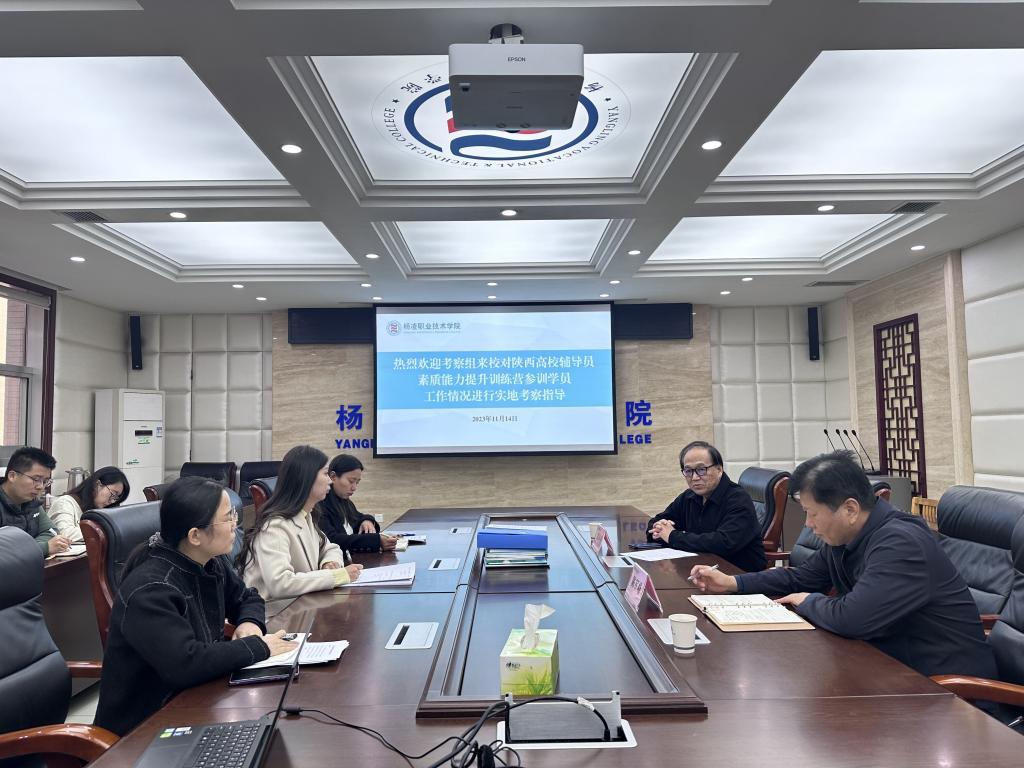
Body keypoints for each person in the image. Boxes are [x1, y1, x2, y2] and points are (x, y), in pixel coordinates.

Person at [689, 450, 998, 679]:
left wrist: (809, 602)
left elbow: (852, 618)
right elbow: (802, 578)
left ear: (850, 509)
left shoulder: (900, 543)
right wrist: (734, 583)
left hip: (948, 691)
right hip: (888, 669)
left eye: (812, 513)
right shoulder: (849, 536)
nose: (808, 524)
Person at [93, 476, 295, 736]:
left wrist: (249, 624)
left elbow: (247, 598)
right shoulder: (152, 589)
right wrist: (259, 647)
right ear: (195, 535)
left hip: (198, 699)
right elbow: (185, 663)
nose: (235, 525)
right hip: (145, 727)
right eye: (228, 517)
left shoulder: (210, 561)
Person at [237, 445, 362, 600]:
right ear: (306, 478)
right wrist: (336, 576)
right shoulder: (275, 526)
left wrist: (329, 562)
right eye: (325, 474)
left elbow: (330, 548)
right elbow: (281, 584)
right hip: (274, 611)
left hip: (301, 606)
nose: (330, 481)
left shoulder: (306, 516)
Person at [646, 440, 766, 572]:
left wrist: (672, 536)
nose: (695, 477)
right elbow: (657, 520)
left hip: (738, 574)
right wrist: (659, 528)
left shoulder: (738, 499)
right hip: (700, 568)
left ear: (719, 469)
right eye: (688, 471)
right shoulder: (689, 496)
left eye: (701, 470)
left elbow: (724, 543)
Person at [316, 454, 397, 555]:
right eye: (351, 481)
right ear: (333, 477)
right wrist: (376, 540)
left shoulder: (344, 501)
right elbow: (331, 540)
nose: (354, 488)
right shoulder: (319, 504)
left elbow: (359, 517)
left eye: (357, 482)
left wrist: (367, 520)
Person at [0, 446, 69, 555]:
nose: (40, 487)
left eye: (45, 481)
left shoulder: (32, 502)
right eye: (36, 479)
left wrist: (30, 549)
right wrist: (43, 548)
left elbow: (52, 532)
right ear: (12, 476)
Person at [49, 465, 130, 543]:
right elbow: (65, 534)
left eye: (116, 498)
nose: (112, 501)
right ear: (97, 484)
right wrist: (104, 531)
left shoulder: (96, 509)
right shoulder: (65, 503)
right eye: (113, 494)